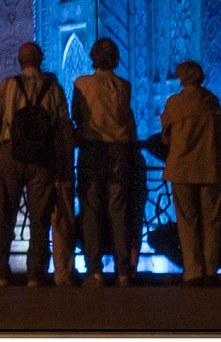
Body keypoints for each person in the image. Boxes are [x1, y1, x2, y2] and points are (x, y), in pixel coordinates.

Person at [0, 41, 77, 287]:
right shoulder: (54, 88)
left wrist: (6, 135)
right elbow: (63, 123)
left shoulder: (8, 84)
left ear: (19, 60)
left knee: (4, 213)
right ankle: (35, 275)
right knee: (40, 218)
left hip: (11, 152)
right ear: (42, 59)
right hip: (42, 157)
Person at [72, 38, 138, 287]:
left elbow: (76, 115)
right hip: (119, 151)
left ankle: (95, 271)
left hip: (91, 149)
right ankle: (123, 272)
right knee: (118, 210)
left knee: (90, 209)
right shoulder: (124, 86)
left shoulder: (81, 84)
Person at [160, 61, 221, 285]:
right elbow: (220, 137)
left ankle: (193, 271)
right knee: (211, 220)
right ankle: (210, 270)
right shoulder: (211, 101)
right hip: (209, 167)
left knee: (187, 222)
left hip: (181, 168)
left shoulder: (174, 103)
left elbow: (165, 137)